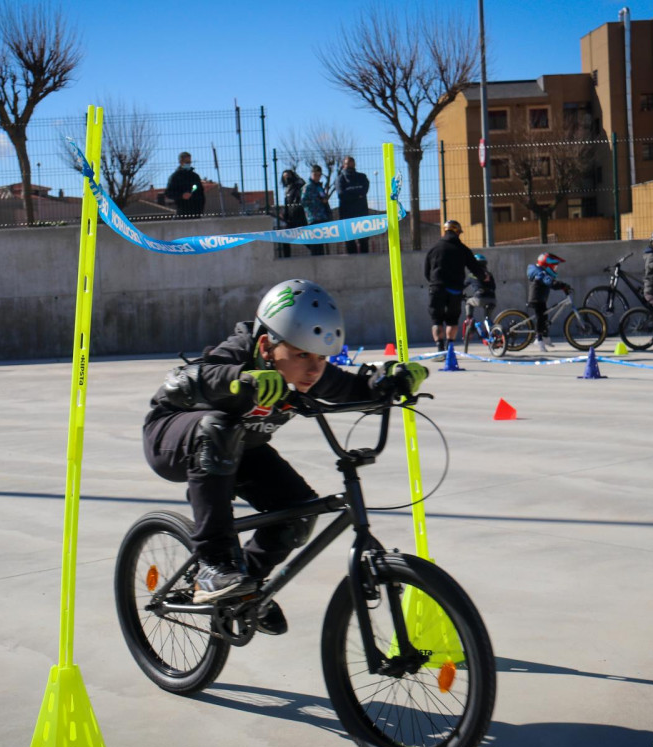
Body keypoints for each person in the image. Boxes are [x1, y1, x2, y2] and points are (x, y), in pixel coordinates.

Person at [141, 279, 428, 634]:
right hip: (172, 437)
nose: (313, 369)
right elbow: (183, 380)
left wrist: (388, 381)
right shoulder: (241, 352)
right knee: (218, 428)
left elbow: (351, 388)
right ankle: (214, 565)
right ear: (266, 344)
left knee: (297, 512)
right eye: (302, 355)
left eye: (322, 358)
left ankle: (244, 591)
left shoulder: (308, 373)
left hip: (240, 448)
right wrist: (242, 379)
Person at [423, 220, 490, 360]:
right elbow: (474, 267)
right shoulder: (462, 249)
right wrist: (484, 277)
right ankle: (450, 348)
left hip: (437, 288)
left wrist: (434, 283)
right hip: (455, 289)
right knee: (452, 320)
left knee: (436, 319)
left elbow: (426, 271)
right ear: (457, 232)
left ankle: (439, 349)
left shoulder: (434, 248)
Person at [525, 253, 571, 352]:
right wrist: (562, 285)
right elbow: (549, 282)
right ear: (547, 265)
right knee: (540, 318)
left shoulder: (542, 272)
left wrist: (563, 286)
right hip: (536, 299)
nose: (555, 269)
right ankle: (538, 339)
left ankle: (545, 338)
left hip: (541, 299)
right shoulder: (541, 273)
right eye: (554, 267)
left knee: (545, 318)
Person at [336, 156, 371, 254]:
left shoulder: (362, 177)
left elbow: (364, 190)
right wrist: (357, 193)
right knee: (350, 242)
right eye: (347, 164)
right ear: (344, 165)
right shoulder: (340, 179)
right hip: (347, 216)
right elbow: (341, 194)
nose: (350, 166)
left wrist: (350, 192)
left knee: (364, 241)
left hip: (362, 214)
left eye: (352, 163)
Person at [301, 164, 331, 256]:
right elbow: (304, 201)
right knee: (315, 244)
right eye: (315, 175)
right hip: (313, 218)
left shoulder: (319, 187)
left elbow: (323, 199)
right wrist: (318, 200)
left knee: (321, 244)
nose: (317, 177)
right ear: (311, 174)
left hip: (322, 217)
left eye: (319, 175)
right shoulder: (308, 187)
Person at [277, 169, 308, 258]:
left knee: (305, 238)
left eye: (288, 176)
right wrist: (284, 214)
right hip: (291, 219)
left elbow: (299, 200)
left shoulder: (298, 186)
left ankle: (316, 253)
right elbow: (287, 205)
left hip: (300, 217)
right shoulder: (287, 190)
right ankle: (287, 257)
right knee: (284, 237)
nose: (287, 178)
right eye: (284, 177)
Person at [165, 151, 205, 218]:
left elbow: (201, 193)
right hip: (182, 211)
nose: (188, 164)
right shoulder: (175, 177)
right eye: (186, 162)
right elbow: (168, 193)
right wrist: (181, 196)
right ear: (181, 162)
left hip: (196, 212)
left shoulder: (195, 176)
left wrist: (200, 209)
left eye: (189, 162)